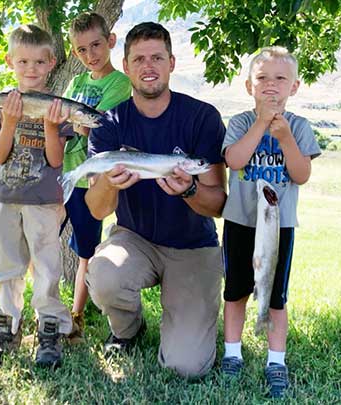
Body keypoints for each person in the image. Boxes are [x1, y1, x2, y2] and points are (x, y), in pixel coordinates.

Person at [84, 22, 227, 378]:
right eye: (139, 59)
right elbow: (98, 208)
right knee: (103, 275)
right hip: (134, 238)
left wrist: (190, 190)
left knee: (186, 366)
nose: (149, 67)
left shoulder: (202, 117)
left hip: (193, 245)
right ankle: (128, 330)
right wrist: (110, 184)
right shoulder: (109, 125)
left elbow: (219, 204)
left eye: (157, 58)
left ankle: (181, 319)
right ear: (127, 66)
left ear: (172, 63)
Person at [219, 46, 321, 398]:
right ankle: (232, 353)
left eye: (281, 79)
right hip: (240, 222)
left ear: (294, 87)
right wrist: (262, 123)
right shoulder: (240, 123)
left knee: (275, 295)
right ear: (249, 86)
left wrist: (284, 138)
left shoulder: (299, 127)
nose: (271, 86)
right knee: (235, 291)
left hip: (279, 228)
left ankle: (276, 361)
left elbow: (301, 174)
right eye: (262, 78)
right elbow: (234, 160)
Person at [0, 24, 73, 368]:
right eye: (23, 62)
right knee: (6, 263)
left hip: (45, 201)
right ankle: (7, 324)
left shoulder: (58, 107)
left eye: (38, 62)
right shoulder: (1, 104)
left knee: (47, 267)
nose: (30, 69)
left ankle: (50, 326)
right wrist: (9, 123)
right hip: (5, 198)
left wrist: (50, 127)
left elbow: (56, 160)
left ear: (51, 63)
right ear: (10, 62)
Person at [61, 11, 132, 343]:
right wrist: (74, 121)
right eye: (82, 50)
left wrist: (76, 120)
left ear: (111, 42)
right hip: (64, 174)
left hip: (92, 180)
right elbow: (67, 121)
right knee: (42, 241)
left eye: (96, 45)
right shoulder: (76, 82)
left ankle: (77, 316)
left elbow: (99, 123)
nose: (90, 55)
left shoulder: (120, 83)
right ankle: (48, 313)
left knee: (86, 251)